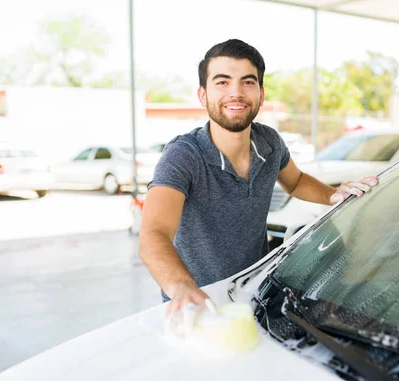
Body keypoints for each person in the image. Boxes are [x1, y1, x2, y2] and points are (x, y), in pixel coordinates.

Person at [139, 39, 378, 314]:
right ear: (203, 95)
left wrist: (335, 194)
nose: (236, 92)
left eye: (248, 82)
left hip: (255, 295)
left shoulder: (270, 142)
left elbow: (296, 181)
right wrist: (182, 288)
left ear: (261, 94)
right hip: (199, 307)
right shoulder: (184, 155)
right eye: (222, 82)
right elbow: (153, 234)